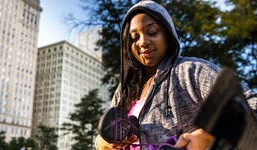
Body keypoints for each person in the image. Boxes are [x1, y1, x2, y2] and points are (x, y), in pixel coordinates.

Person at [96, 0, 257, 150]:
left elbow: (251, 107)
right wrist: (101, 142)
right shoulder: (124, 90)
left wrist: (207, 137)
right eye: (134, 37)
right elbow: (104, 138)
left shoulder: (191, 71)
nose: (142, 42)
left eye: (152, 32)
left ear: (167, 34)